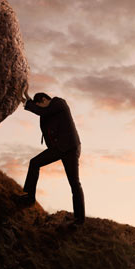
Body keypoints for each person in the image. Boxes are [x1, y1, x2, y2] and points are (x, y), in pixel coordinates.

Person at [15, 85, 85, 225]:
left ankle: (79, 219)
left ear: (45, 99)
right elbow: (40, 110)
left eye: (40, 104)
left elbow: (41, 111)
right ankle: (29, 197)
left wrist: (25, 101)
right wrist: (27, 98)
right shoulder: (47, 111)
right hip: (59, 148)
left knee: (74, 183)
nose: (40, 108)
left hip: (70, 147)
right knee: (34, 163)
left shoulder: (59, 103)